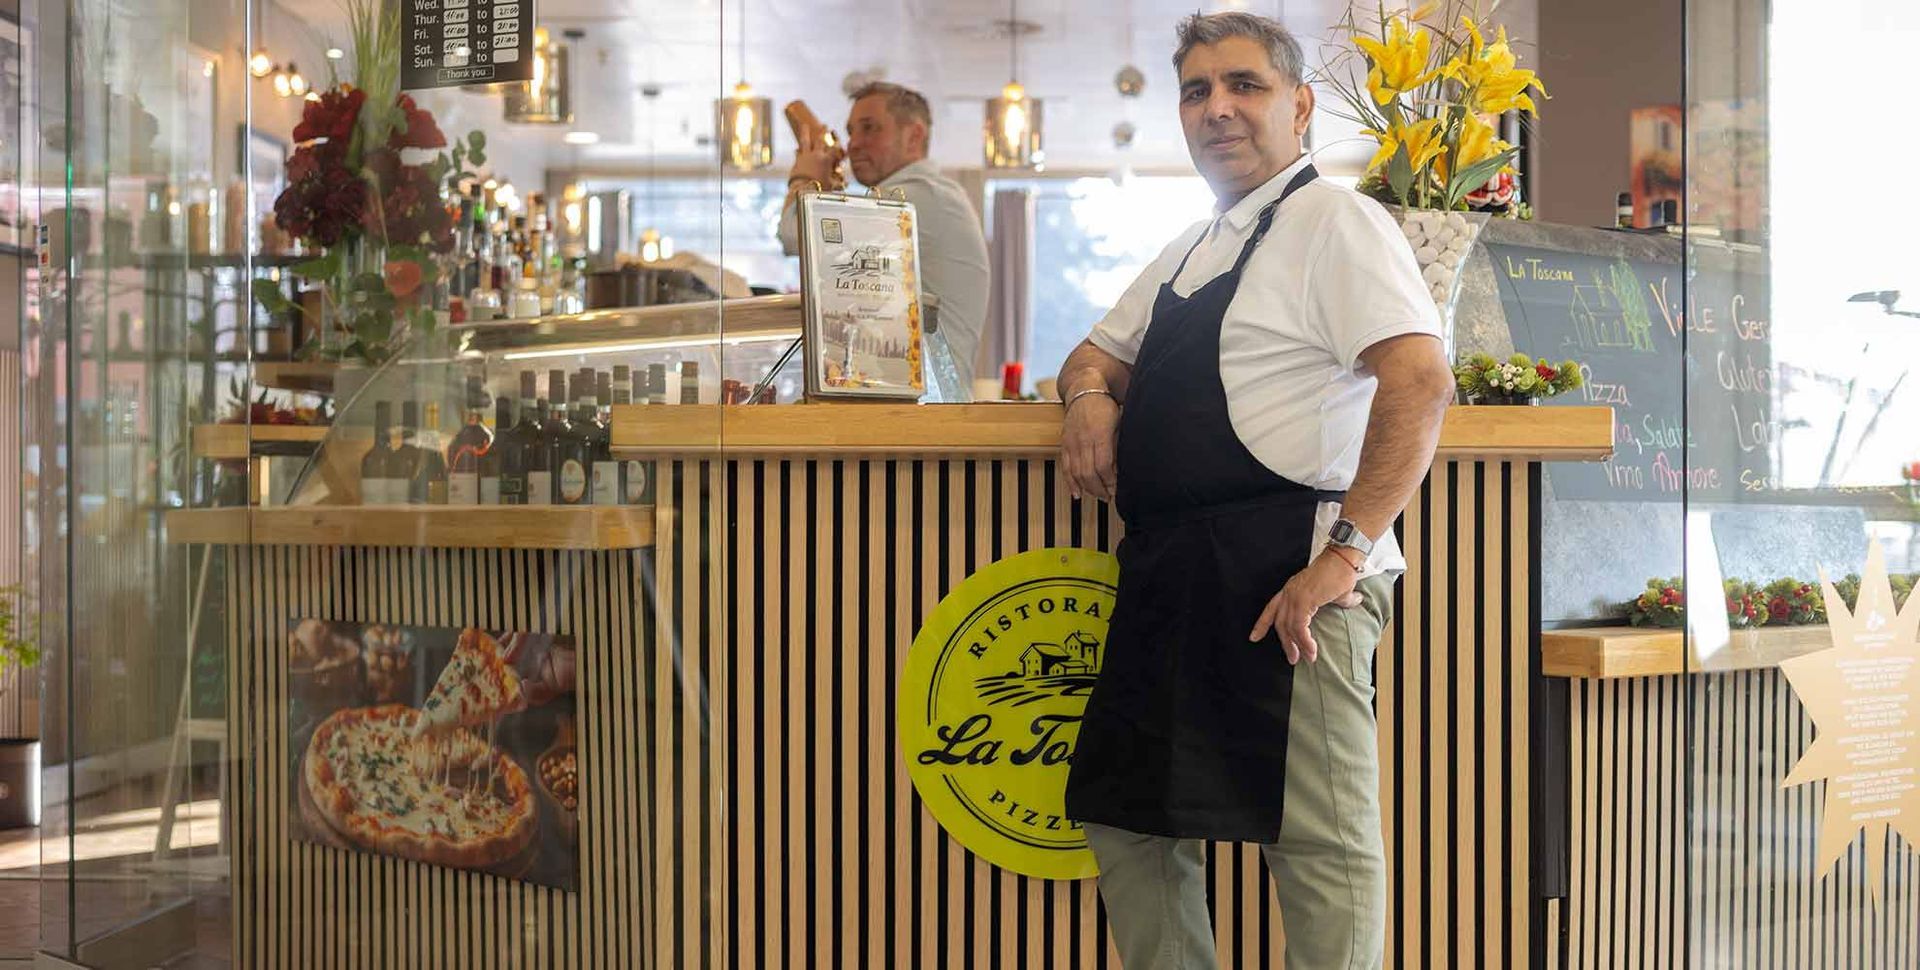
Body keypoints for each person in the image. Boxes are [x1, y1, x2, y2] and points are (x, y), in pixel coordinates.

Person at [1057, 12, 1455, 969]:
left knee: (1319, 846)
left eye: (1244, 86)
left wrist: (1345, 556)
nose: (1218, 109)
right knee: (1129, 821)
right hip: (1174, 574)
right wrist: (1084, 397)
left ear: (1301, 104)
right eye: (1197, 91)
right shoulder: (1193, 244)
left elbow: (1420, 380)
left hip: (1295, 577)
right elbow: (1092, 352)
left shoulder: (1337, 221)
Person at [779, 82, 992, 386]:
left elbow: (792, 234)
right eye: (851, 132)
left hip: (926, 415)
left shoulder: (913, 199)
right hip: (927, 410)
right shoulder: (934, 196)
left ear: (914, 135)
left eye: (870, 129)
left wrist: (804, 176)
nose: (853, 144)